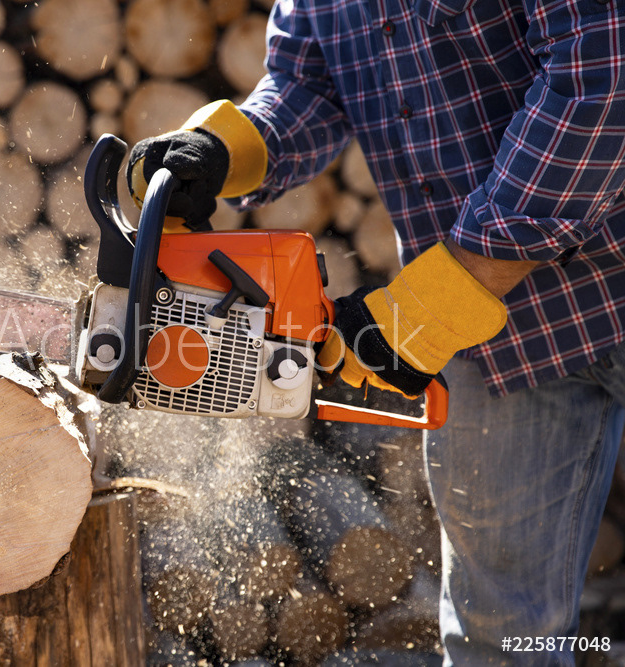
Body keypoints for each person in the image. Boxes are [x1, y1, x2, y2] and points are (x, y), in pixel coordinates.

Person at [127, 1, 625, 664]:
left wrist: (452, 291)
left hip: (571, 277)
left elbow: (603, 74)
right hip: (501, 343)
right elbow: (308, 84)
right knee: (498, 635)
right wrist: (229, 145)